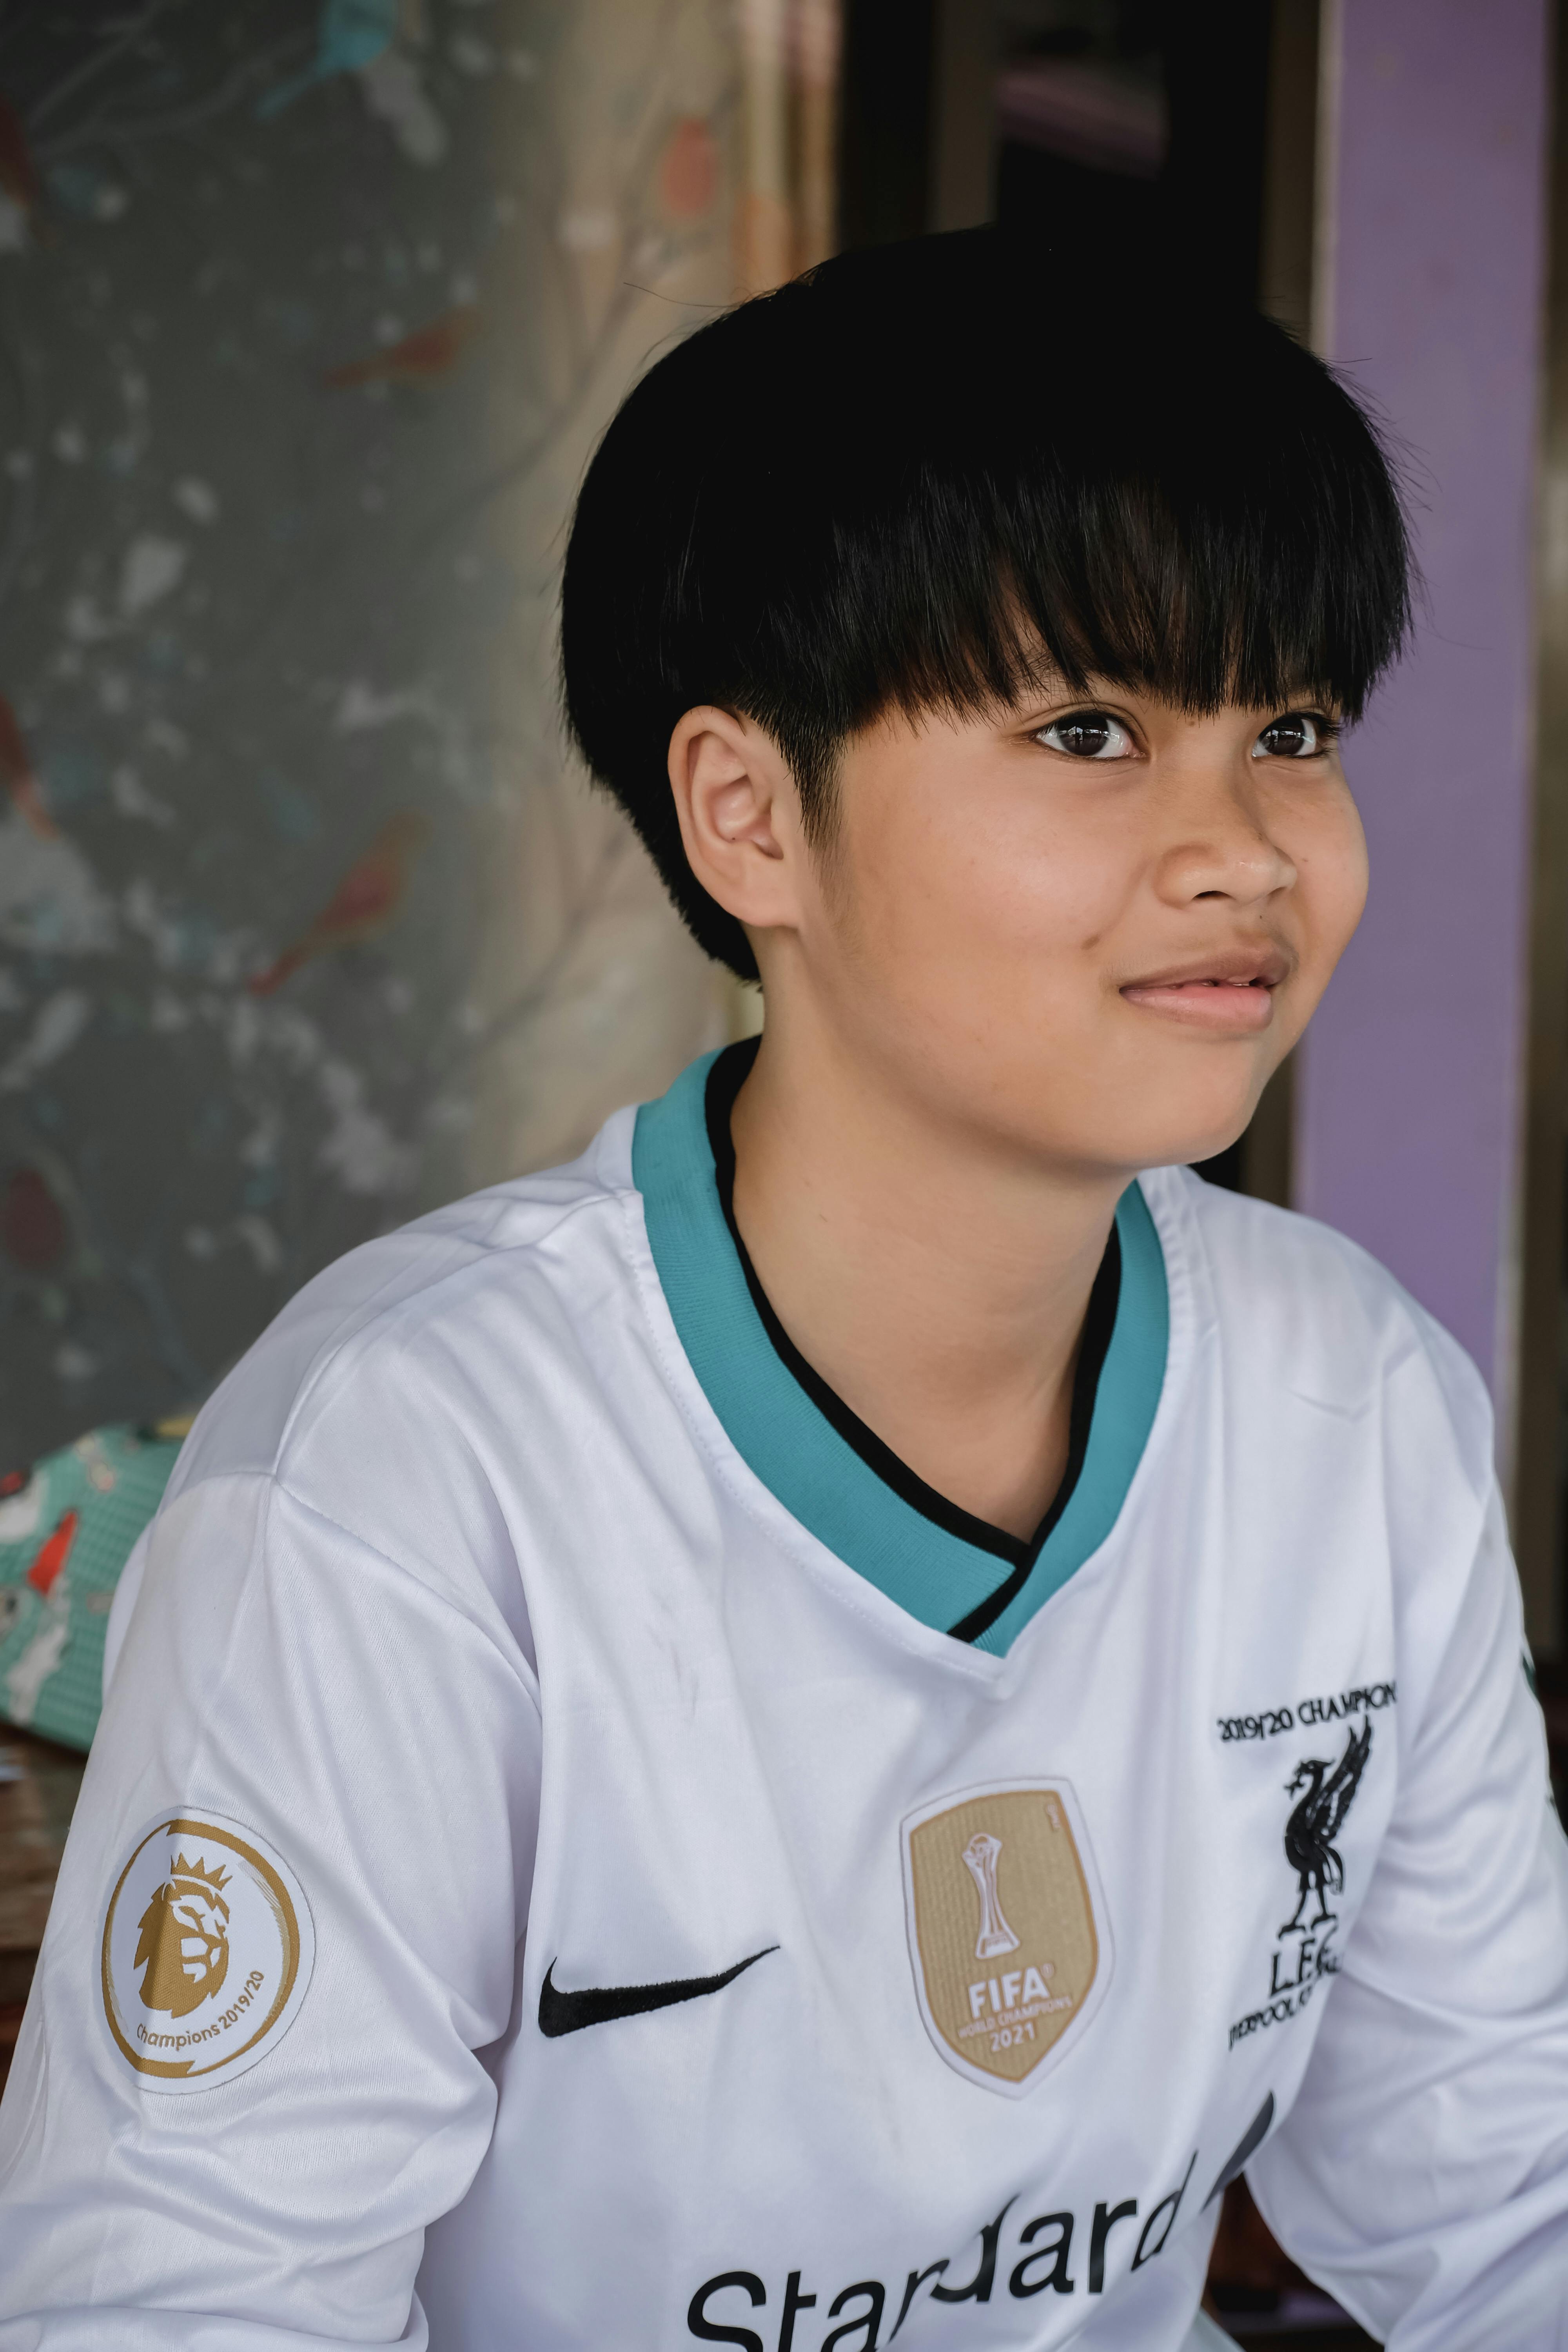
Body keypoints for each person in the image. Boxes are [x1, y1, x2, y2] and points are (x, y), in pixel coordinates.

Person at [2, 227, 1565, 2352]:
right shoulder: (409, 1478)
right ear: (750, 817)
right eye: (1091, 728)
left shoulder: (1353, 1404)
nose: (1248, 852)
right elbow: (178, 2319)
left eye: (1289, 724)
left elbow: (1504, 2201)